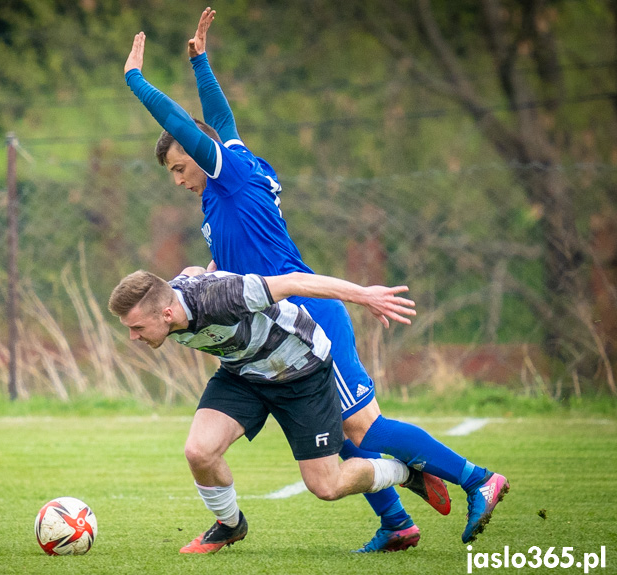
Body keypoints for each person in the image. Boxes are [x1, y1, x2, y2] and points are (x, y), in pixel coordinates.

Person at [124, 11, 508, 551]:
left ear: (193, 157)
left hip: (308, 311)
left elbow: (187, 121)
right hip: (280, 315)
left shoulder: (223, 176)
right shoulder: (236, 159)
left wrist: (135, 80)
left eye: (177, 170)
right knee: (346, 432)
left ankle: (478, 479)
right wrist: (200, 61)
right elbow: (218, 118)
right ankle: (397, 524)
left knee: (366, 431)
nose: (179, 182)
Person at [108, 266, 450, 554]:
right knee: (199, 452)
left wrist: (364, 295)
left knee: (326, 487)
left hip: (301, 371)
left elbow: (296, 281)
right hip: (244, 374)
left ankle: (405, 473)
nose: (133, 338)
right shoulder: (171, 301)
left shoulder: (223, 297)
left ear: (167, 313)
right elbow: (193, 273)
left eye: (137, 328)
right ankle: (230, 526)